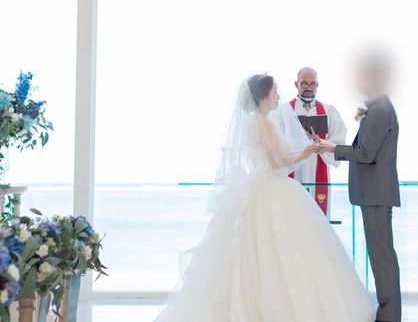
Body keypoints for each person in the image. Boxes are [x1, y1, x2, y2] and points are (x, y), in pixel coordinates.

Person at [155, 73, 374, 322]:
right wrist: (307, 152)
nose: (278, 96)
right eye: (274, 92)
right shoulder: (265, 125)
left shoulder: (252, 124)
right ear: (263, 97)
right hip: (272, 186)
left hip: (257, 186)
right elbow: (277, 163)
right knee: (286, 248)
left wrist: (302, 151)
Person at [318, 51, 401, 322]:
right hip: (373, 194)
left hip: (376, 195)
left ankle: (389, 317)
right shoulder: (373, 108)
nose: (357, 80)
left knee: (382, 259)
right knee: (381, 258)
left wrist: (332, 148)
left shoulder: (379, 110)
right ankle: (388, 315)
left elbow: (365, 153)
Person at [285, 67, 347, 215]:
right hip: (294, 168)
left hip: (318, 166)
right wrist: (297, 139)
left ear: (317, 85)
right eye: (304, 83)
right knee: (292, 214)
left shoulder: (329, 112)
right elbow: (275, 142)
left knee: (317, 217)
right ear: (296, 84)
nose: (309, 88)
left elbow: (339, 145)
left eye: (313, 84)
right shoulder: (284, 111)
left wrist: (319, 142)